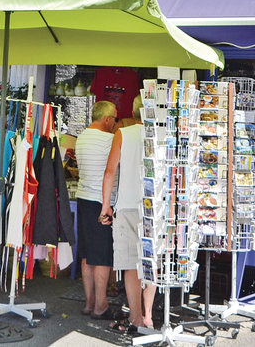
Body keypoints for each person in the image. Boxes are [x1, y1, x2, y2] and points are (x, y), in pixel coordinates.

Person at [101, 96, 156, 334]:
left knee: (131, 265)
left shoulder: (123, 134)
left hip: (127, 206)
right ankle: (149, 316)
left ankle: (135, 317)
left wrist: (106, 205)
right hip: (154, 208)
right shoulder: (160, 135)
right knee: (151, 263)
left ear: (133, 113)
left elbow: (110, 172)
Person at [74, 100, 118, 319]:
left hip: (83, 199)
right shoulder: (110, 139)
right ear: (107, 119)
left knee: (87, 253)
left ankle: (89, 302)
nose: (115, 124)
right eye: (115, 119)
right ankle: (101, 305)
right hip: (102, 202)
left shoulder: (81, 137)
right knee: (101, 255)